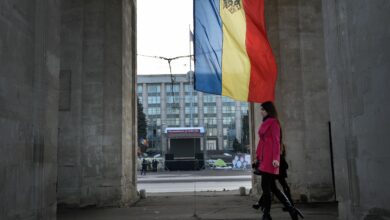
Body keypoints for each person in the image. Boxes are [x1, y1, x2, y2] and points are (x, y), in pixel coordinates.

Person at [252, 101, 303, 220]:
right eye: (260, 109)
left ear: (268, 110)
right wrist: (257, 157)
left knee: (266, 187)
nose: (261, 112)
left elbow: (276, 141)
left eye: (263, 110)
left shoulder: (274, 123)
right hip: (265, 159)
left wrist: (276, 159)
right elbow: (262, 142)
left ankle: (267, 215)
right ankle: (291, 210)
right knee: (272, 188)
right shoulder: (265, 122)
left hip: (271, 160)